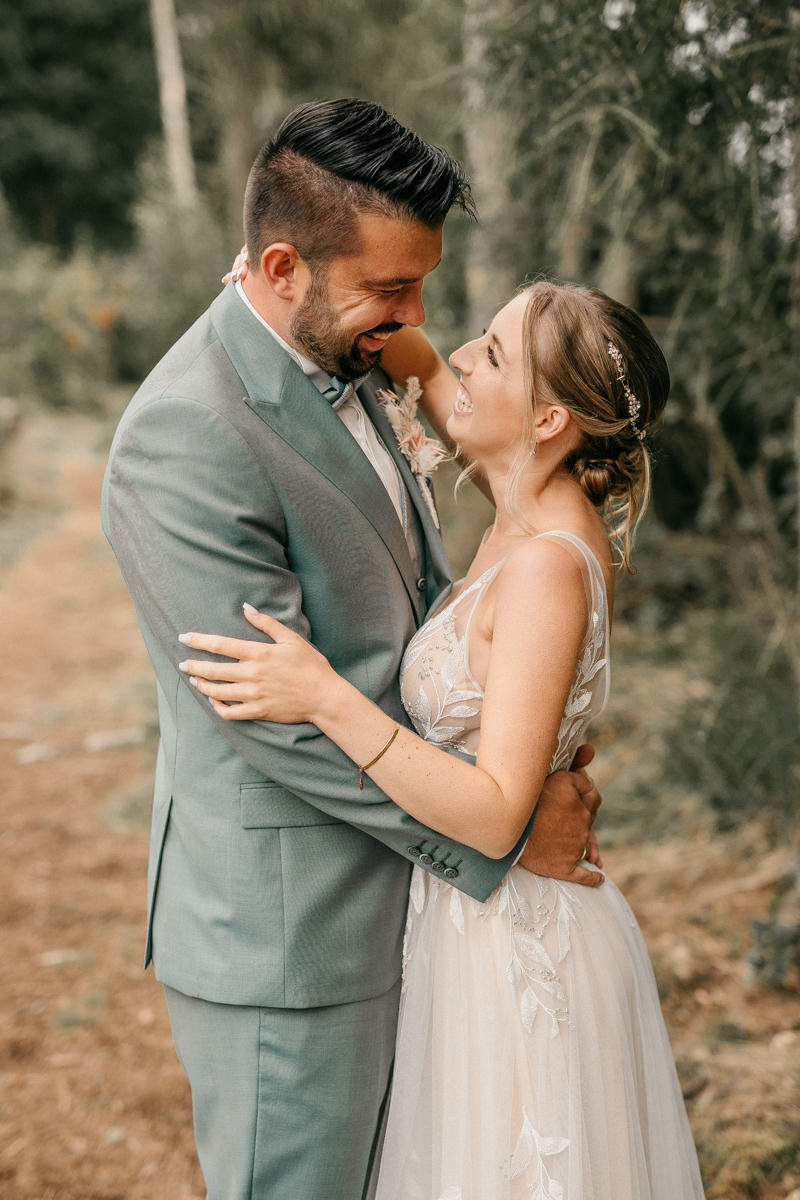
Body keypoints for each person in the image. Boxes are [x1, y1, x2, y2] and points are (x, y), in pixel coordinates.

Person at [101, 99, 603, 1200]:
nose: (414, 318)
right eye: (390, 289)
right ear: (281, 266)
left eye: (421, 283)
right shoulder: (186, 433)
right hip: (294, 941)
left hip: (411, 912)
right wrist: (496, 831)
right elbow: (272, 716)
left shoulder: (354, 344)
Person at [179, 279, 707, 1198]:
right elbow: (418, 357)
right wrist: (278, 271)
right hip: (466, 925)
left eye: (493, 353)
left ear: (548, 421)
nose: (458, 354)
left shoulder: (546, 565)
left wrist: (326, 697)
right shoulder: (523, 502)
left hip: (516, 939)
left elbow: (501, 812)